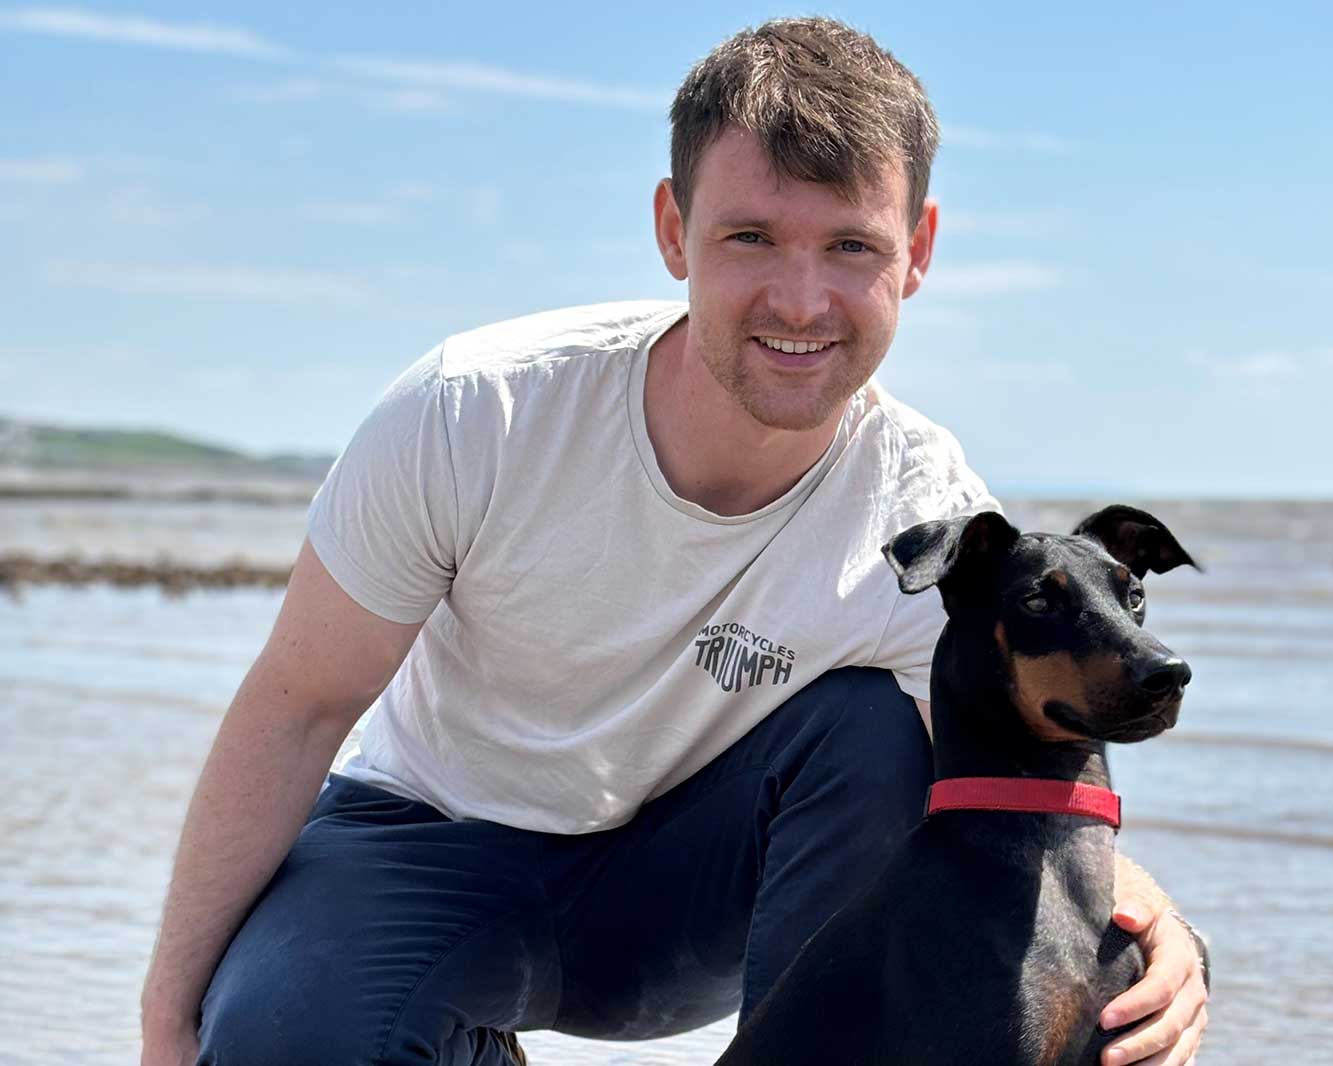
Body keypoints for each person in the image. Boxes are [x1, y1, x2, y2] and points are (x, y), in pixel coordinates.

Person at [140, 17, 1209, 1066]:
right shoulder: (480, 410)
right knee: (285, 1043)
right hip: (428, 846)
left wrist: (1152, 923)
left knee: (873, 732)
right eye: (750, 237)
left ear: (917, 250)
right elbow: (298, 704)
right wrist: (164, 1021)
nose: (800, 299)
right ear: (672, 228)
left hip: (681, 904)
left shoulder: (921, 505)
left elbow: (1008, 777)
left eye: (850, 245)